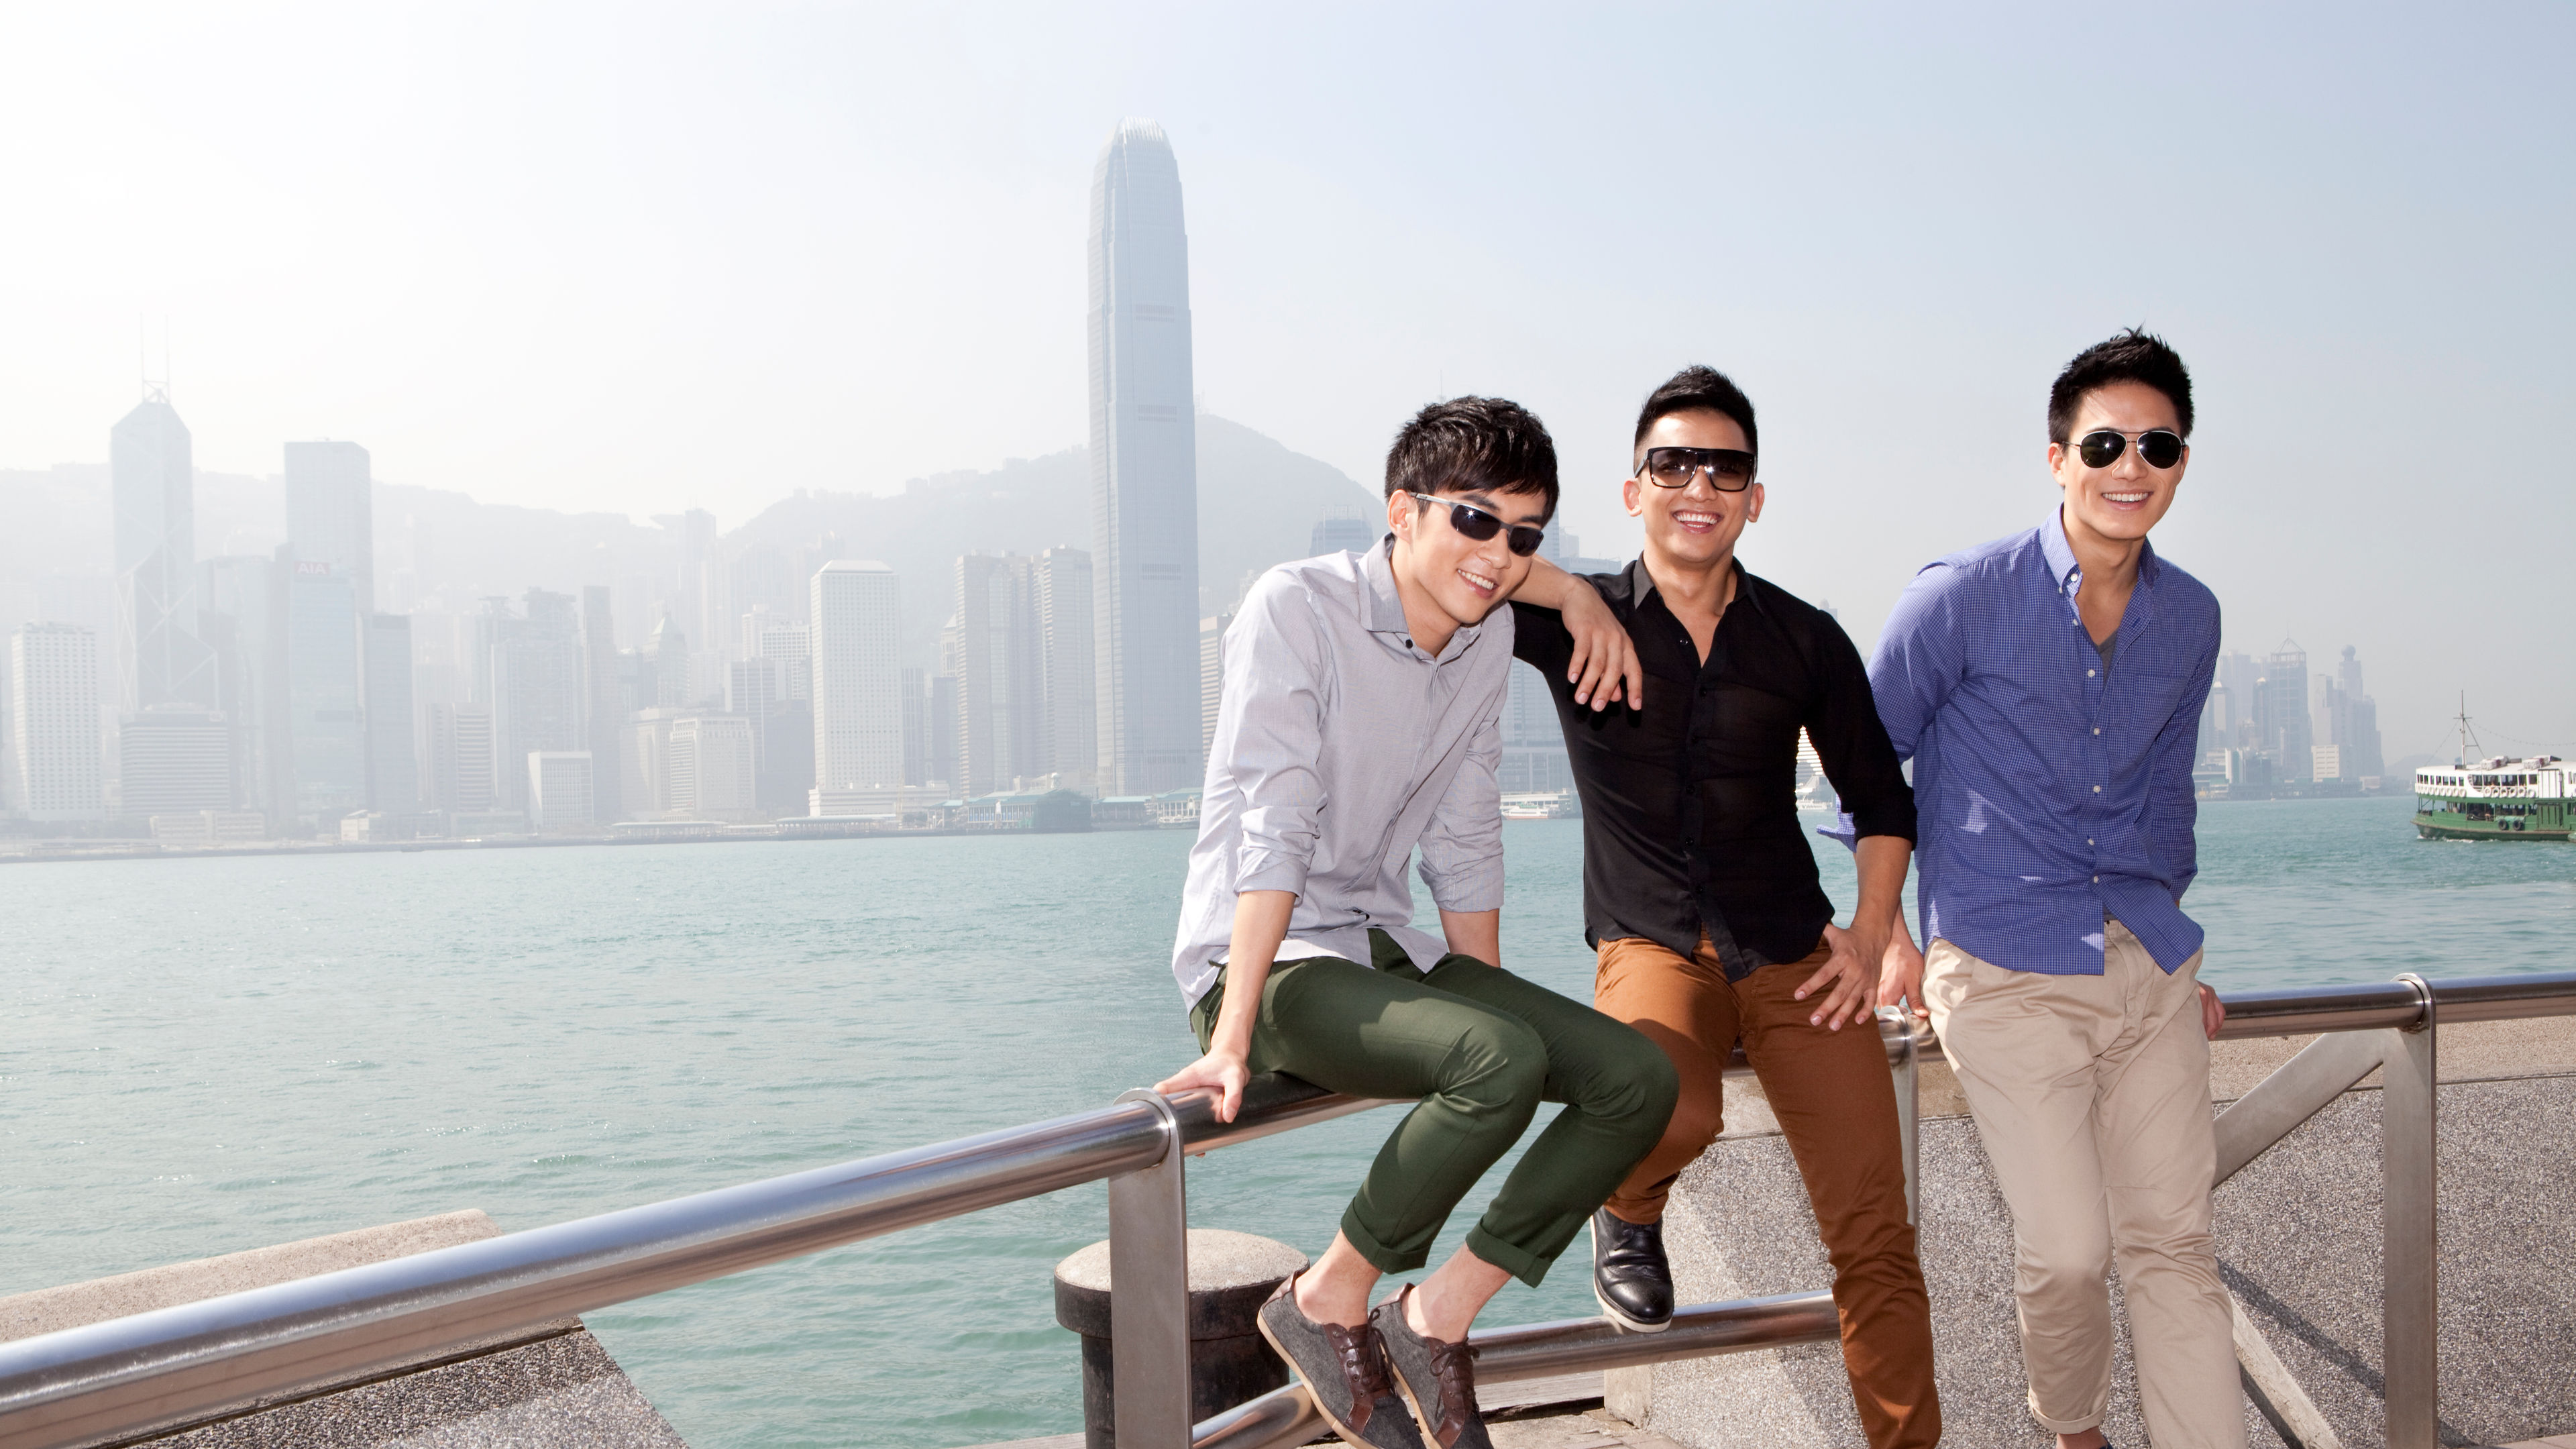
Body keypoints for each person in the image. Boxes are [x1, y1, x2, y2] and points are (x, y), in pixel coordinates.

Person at [1154, 396, 1678, 1449]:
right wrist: (1230, 1029)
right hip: (1263, 956)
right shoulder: (1295, 607)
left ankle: (1435, 1314)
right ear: (1403, 511)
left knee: (1637, 1080)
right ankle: (1324, 1299)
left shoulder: (1483, 640)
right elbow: (1275, 825)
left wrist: (1496, 1000)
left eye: (1524, 537)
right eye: (1474, 522)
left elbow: (1466, 825)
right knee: (1495, 1059)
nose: (1497, 556)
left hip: (1384, 943)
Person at [1508, 366, 1940, 1449]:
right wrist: (1564, 589)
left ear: (1756, 496)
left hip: (1797, 951)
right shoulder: (1581, 619)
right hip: (1653, 942)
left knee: (1875, 1232)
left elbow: (1882, 800)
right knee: (1672, 1107)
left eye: (1725, 467)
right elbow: (1443, 569)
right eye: (1673, 464)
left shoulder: (1803, 638)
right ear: (1633, 490)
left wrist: (1876, 931)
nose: (1699, 483)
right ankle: (1631, 1206)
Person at [1870, 329, 2235, 1449]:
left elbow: (2165, 797)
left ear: (2182, 462)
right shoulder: (1961, 598)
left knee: (2175, 1245)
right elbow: (1862, 765)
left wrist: (2182, 953)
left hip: (2148, 965)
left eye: (2158, 445)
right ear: (2057, 457)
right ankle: (2071, 1427)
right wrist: (1885, 938)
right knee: (2071, 1249)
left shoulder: (2193, 616)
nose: (2133, 466)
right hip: (1999, 961)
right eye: (2107, 442)